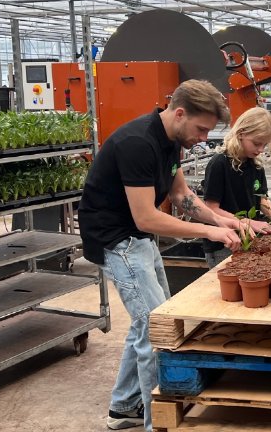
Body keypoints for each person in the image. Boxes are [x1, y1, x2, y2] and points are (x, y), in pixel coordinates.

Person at [78, 79, 244, 432]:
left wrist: (226, 220)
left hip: (138, 238)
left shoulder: (171, 140)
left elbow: (182, 195)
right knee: (158, 329)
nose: (203, 137)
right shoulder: (138, 143)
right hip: (117, 240)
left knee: (149, 322)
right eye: (201, 129)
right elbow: (147, 216)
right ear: (180, 113)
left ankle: (123, 408)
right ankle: (160, 424)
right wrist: (210, 231)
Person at [202, 106, 271, 268]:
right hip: (224, 243)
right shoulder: (219, 163)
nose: (260, 150)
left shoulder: (255, 165)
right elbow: (211, 209)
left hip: (248, 238)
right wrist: (247, 222)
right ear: (241, 134)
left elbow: (261, 199)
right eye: (257, 143)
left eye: (264, 145)